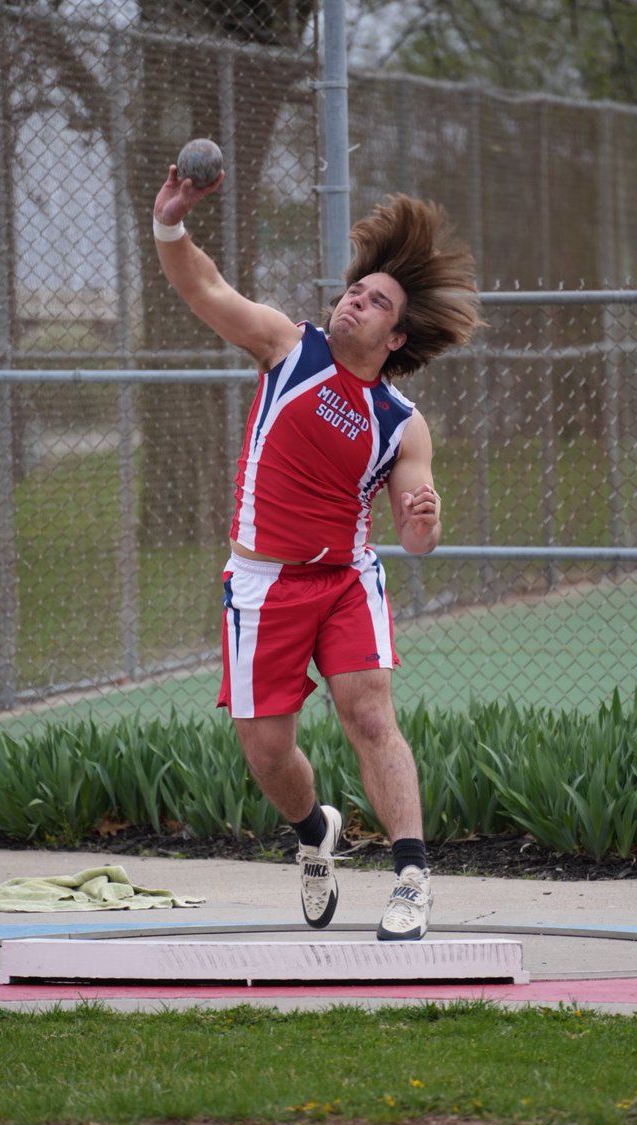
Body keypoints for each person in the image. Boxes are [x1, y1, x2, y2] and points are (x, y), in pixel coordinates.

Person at [153, 163, 481, 940]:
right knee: (268, 754)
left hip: (343, 580)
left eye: (374, 302)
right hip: (261, 583)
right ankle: (314, 834)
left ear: (395, 337)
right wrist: (171, 222)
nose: (353, 302)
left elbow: (415, 538)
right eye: (353, 291)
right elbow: (204, 287)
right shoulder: (287, 348)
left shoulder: (401, 422)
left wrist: (426, 520)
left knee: (368, 713)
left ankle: (410, 878)